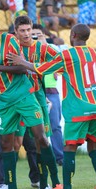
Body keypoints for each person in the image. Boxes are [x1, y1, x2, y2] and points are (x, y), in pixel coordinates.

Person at [11, 23, 96, 189]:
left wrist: (20, 61)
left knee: (69, 149)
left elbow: (40, 68)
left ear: (72, 35)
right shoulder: (93, 53)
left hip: (79, 107)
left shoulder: (67, 55)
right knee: (94, 148)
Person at [0, 14, 62, 189]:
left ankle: (55, 183)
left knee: (40, 137)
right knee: (7, 144)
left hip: (24, 97)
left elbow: (22, 69)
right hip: (4, 103)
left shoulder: (9, 40)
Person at [32, 23, 64, 165]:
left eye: (39, 35)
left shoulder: (51, 49)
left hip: (51, 91)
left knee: (55, 125)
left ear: (44, 35)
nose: (36, 38)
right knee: (37, 129)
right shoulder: (28, 51)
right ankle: (41, 159)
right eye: (34, 36)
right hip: (34, 93)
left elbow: (60, 62)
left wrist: (43, 44)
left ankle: (60, 157)